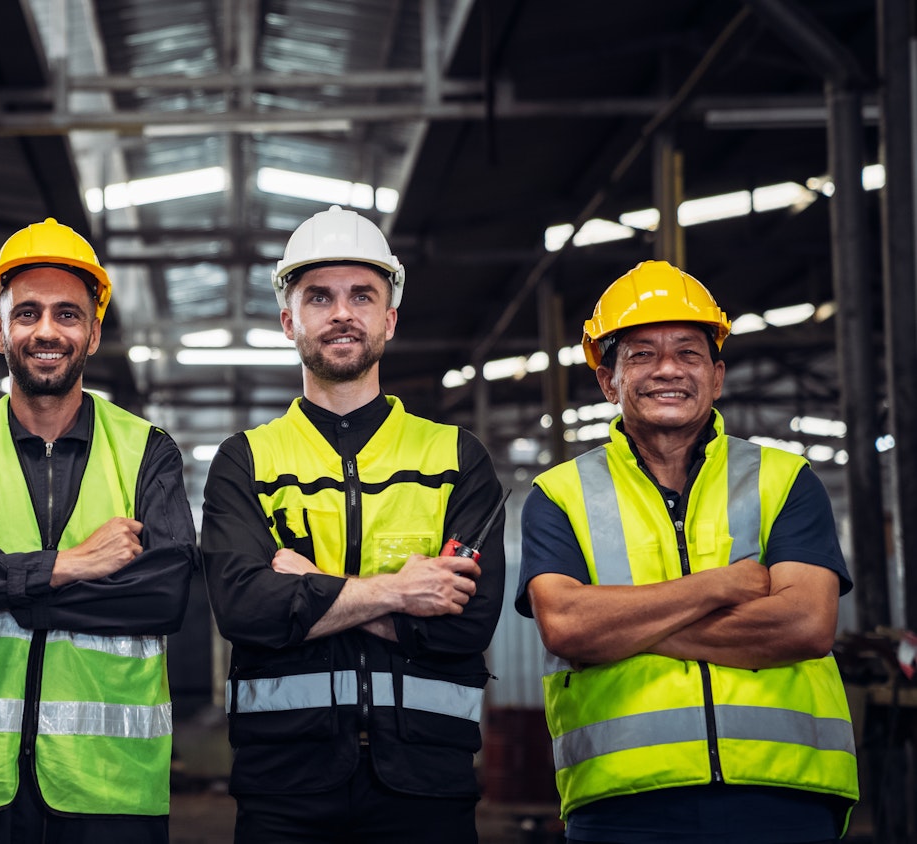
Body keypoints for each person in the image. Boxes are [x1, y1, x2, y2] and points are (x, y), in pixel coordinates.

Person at [516, 260, 859, 843]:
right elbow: (568, 628)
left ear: (716, 376)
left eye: (688, 353)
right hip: (622, 804)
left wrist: (620, 625)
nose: (668, 369)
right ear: (608, 382)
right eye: (641, 354)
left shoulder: (785, 478)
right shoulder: (559, 495)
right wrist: (718, 586)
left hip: (784, 793)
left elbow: (806, 624)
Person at [0, 217, 197, 843]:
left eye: (67, 314)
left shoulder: (146, 452)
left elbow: (162, 594)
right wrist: (69, 565)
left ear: (93, 333)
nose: (46, 331)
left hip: (109, 790)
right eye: (26, 313)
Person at [201, 205, 508, 843]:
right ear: (289, 321)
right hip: (284, 781)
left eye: (361, 295)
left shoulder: (455, 457)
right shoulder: (247, 459)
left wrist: (309, 584)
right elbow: (245, 611)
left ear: (389, 318)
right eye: (320, 296)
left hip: (427, 780)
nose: (342, 312)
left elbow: (467, 625)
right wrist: (399, 591)